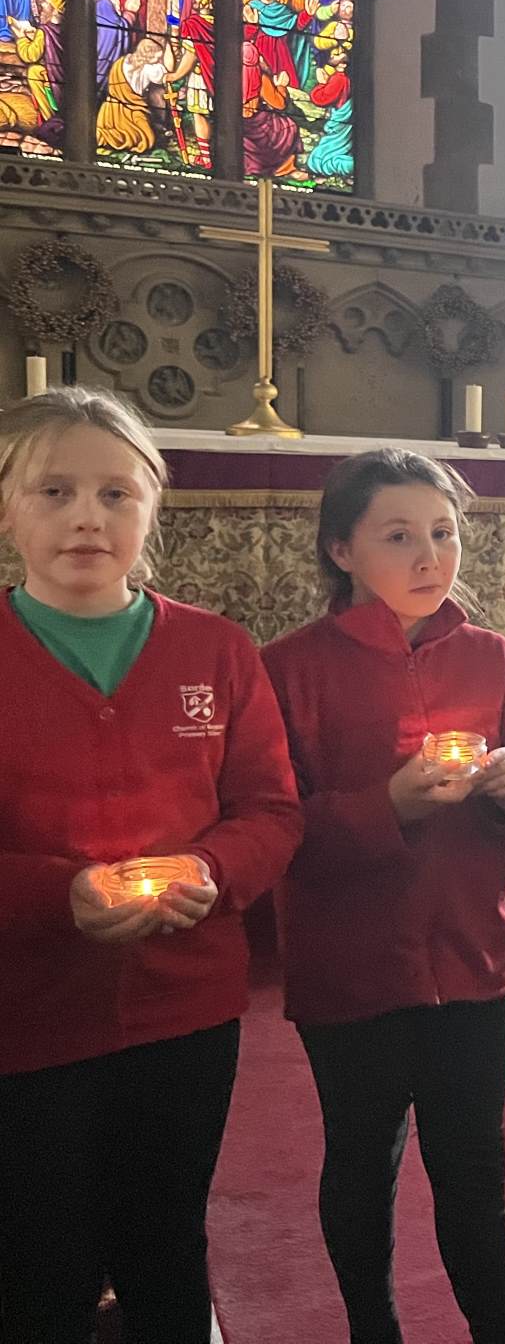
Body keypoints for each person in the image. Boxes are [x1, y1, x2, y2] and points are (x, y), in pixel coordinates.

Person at [0, 388, 302, 1344]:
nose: (87, 517)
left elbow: (271, 810)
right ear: (6, 508)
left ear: (151, 510)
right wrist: (59, 895)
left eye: (116, 494)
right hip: (29, 1016)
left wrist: (211, 868)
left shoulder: (216, 650)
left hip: (184, 1008)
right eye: (54, 491)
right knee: (39, 1260)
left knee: (165, 1241)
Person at [263, 449, 505, 1344]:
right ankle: (374, 1327)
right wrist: (386, 805)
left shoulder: (496, 659)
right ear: (341, 550)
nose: (430, 556)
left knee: (474, 1163)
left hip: (469, 954)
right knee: (362, 1158)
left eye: (443, 533)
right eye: (398, 537)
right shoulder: (289, 670)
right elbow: (273, 824)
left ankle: (500, 1328)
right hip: (351, 963)